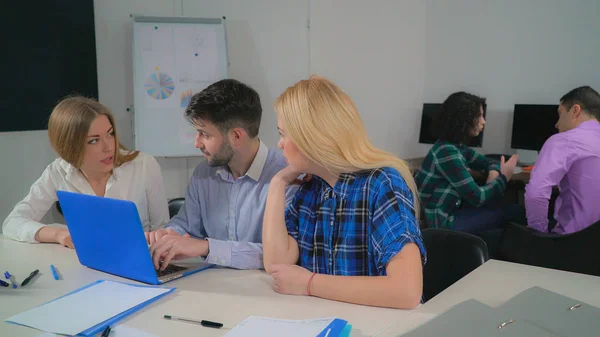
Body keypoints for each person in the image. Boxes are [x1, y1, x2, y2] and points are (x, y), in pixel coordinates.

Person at [262, 76, 426, 309]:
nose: (279, 144)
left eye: (283, 134)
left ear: (311, 136)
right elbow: (277, 267)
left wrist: (309, 283)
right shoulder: (310, 189)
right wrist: (278, 184)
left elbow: (406, 291)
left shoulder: (381, 183)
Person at [146, 79, 295, 270]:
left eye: (205, 135)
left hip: (266, 292)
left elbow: (281, 254)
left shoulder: (288, 177)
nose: (197, 143)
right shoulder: (203, 173)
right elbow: (186, 226)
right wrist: (167, 236)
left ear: (237, 136)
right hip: (212, 287)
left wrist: (207, 247)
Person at [2, 96, 169, 247]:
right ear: (70, 145)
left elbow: (162, 230)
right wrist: (59, 234)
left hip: (140, 263)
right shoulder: (58, 170)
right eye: (94, 140)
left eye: (110, 134)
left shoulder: (144, 165)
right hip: (87, 266)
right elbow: (12, 223)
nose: (108, 147)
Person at [415, 91, 523, 233]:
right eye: (479, 116)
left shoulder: (455, 147)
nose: (483, 121)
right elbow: (478, 198)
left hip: (450, 212)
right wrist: (503, 178)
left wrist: (494, 171)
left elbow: (488, 162)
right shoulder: (447, 152)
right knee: (516, 211)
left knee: (505, 208)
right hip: (441, 222)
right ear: (464, 120)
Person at [525, 86, 600, 234]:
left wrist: (538, 235)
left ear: (575, 110)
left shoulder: (564, 140)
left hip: (574, 242)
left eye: (560, 114)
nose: (557, 124)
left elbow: (535, 193)